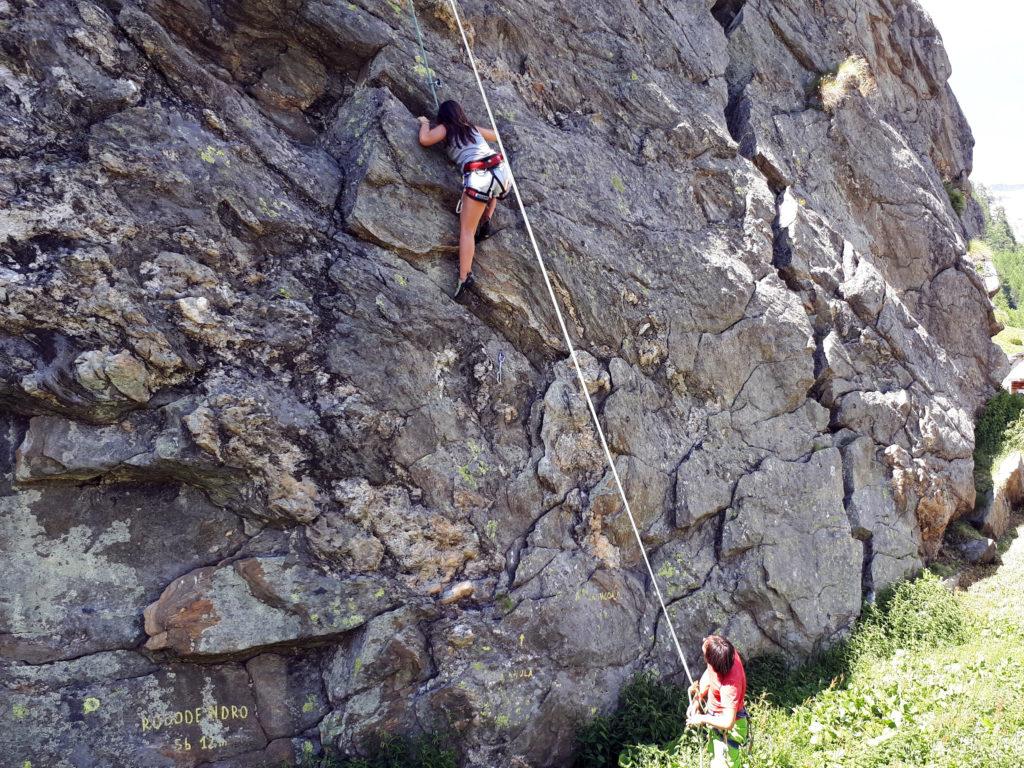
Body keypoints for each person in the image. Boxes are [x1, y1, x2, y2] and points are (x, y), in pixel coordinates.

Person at [417, 99, 512, 298]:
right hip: (500, 173)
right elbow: (496, 136)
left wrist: (425, 123)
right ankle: (486, 220)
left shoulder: (444, 129)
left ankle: (464, 277)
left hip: (479, 178)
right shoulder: (472, 128)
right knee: (491, 191)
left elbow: (425, 140)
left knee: (467, 231)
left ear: (443, 117)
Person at [686, 634, 750, 768]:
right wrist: (697, 700)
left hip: (729, 728)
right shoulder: (724, 654)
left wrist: (702, 718)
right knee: (714, 757)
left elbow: (728, 722)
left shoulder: (730, 686)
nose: (703, 641)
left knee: (723, 764)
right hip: (716, 719)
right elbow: (710, 674)